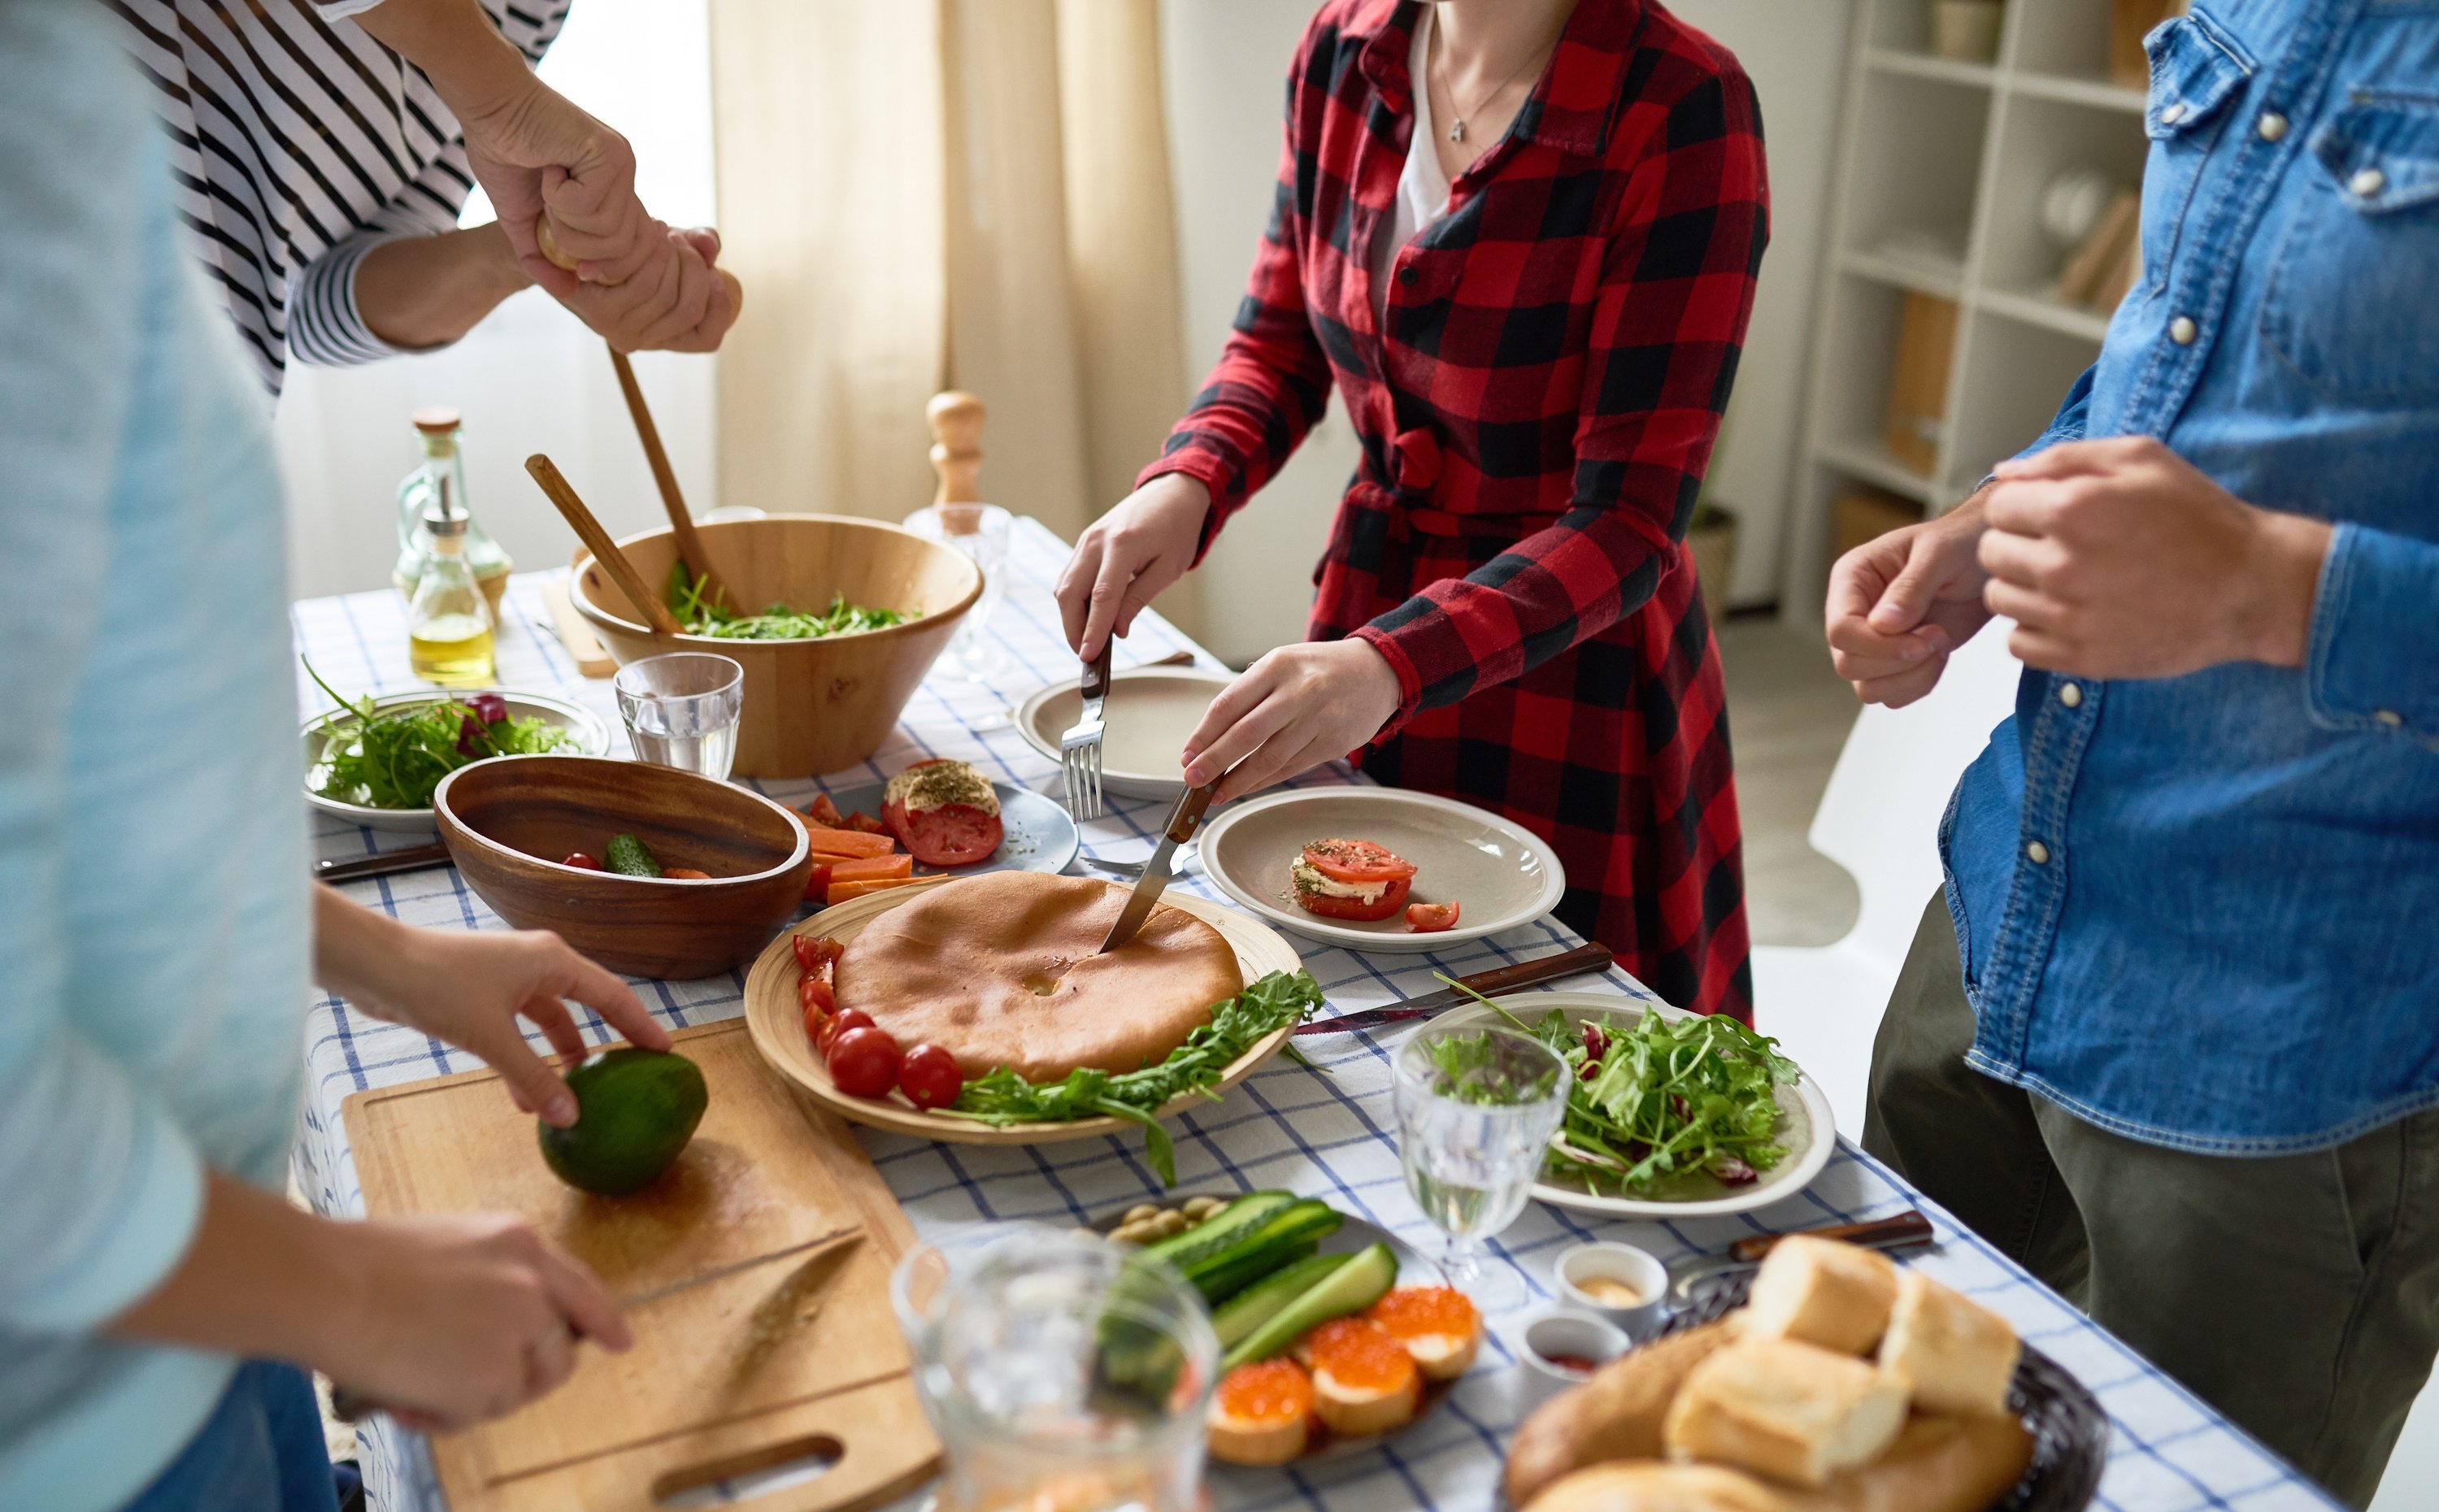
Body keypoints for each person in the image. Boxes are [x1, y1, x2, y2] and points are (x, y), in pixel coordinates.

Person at [0, 5, 676, 1505]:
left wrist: (381, 956)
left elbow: (84, 823)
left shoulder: (62, 94)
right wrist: (351, 1295)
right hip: (76, 1398)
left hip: (194, 1274)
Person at [1824, 3, 2439, 1503]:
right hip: (2006, 917)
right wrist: (1995, 524)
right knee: (1861, 1447)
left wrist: (2267, 587)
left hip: (2283, 1068)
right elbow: (2181, 355)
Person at [1057, 0, 1767, 1017]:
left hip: (1574, 683)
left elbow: (1629, 522)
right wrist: (1187, 481)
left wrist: (1392, 664)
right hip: (1366, 631)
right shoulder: (1344, 49)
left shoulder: (1684, 105)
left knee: (1552, 1052)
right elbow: (1278, 344)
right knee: (1349, 1010)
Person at [111, 0, 737, 394]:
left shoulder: (534, 11)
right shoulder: (497, 66)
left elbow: (309, 307)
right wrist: (501, 95)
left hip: (175, 406)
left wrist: (534, 252)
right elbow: (500, 103)